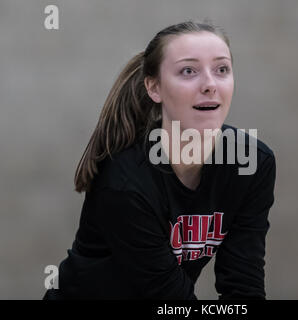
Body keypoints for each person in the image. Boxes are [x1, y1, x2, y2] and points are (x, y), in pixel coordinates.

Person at [43, 20, 276, 300]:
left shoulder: (251, 163)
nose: (210, 84)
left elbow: (243, 285)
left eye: (221, 69)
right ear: (155, 88)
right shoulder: (126, 180)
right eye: (188, 71)